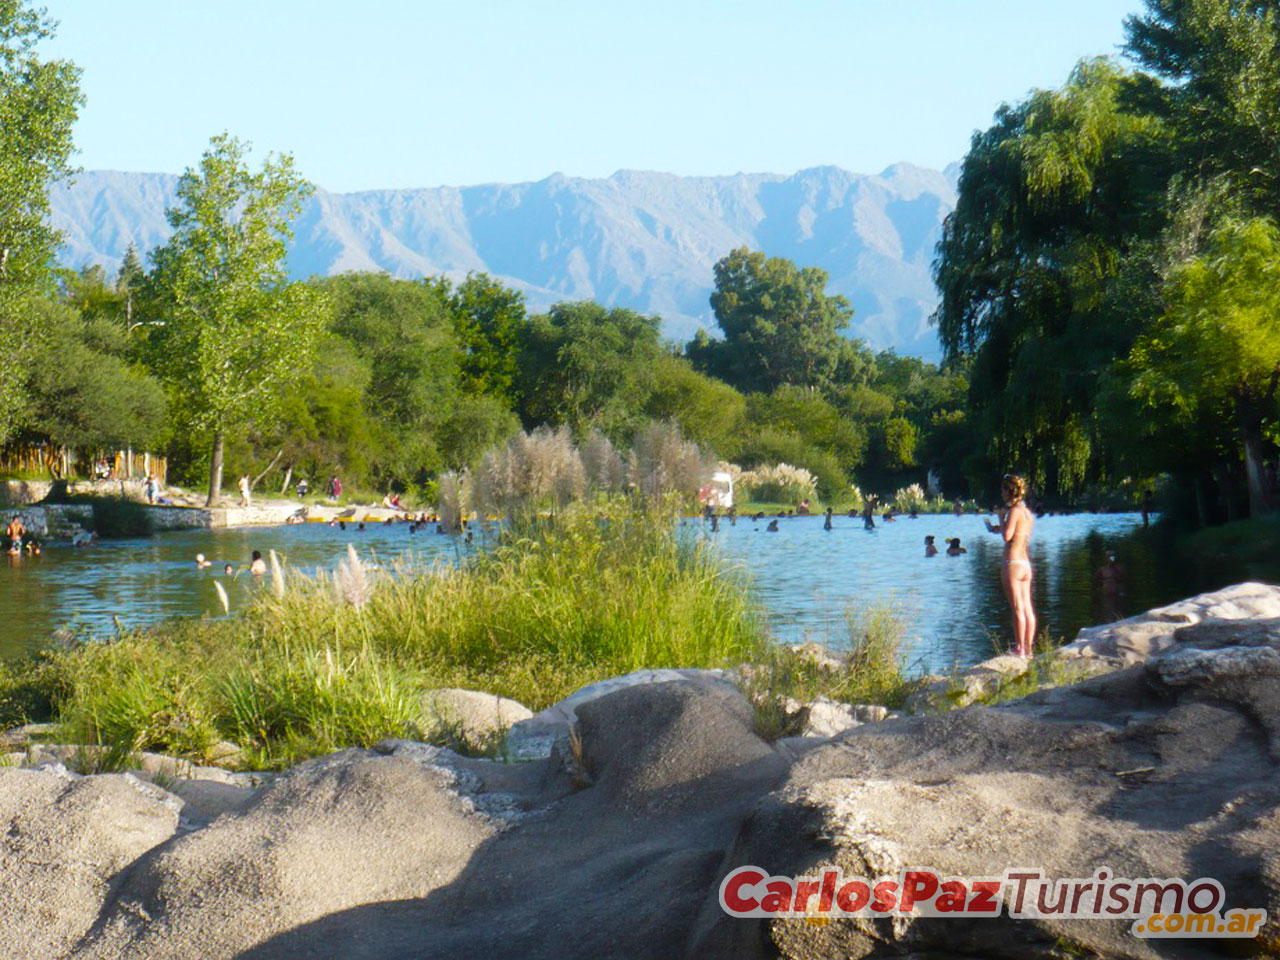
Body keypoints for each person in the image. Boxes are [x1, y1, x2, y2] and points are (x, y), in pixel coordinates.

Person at [985, 473, 1036, 658]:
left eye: (1003, 490)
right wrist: (996, 527)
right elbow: (1018, 533)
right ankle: (1029, 649)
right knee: (1027, 607)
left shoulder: (1013, 510)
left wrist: (1000, 517)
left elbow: (1007, 536)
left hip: (1012, 563)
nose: (1002, 493)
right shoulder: (1026, 513)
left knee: (1017, 608)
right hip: (1025, 564)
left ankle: (1020, 649)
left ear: (1009, 491)